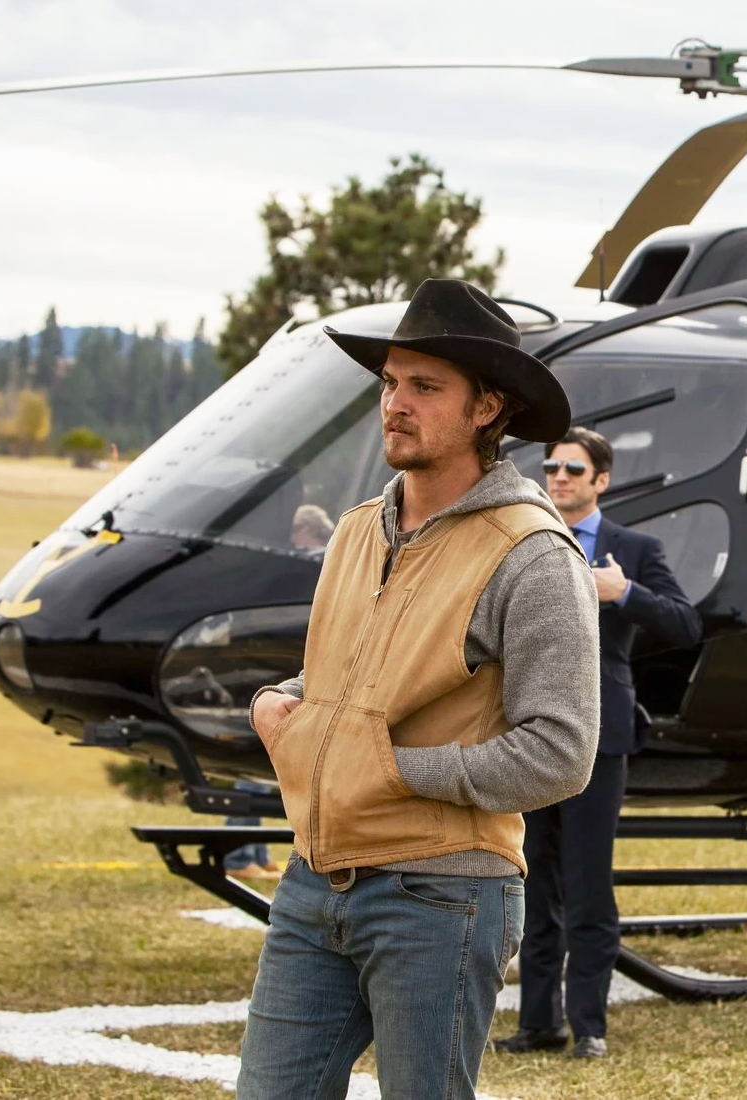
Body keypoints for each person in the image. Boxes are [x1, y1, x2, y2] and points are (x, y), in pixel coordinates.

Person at [236, 278, 601, 1100]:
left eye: (425, 387)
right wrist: (280, 704)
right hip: (314, 877)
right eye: (390, 383)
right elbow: (348, 674)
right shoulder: (359, 530)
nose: (395, 404)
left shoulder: (534, 553)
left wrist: (395, 770)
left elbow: (562, 752)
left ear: (487, 409)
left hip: (443, 893)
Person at [495, 426, 702, 1060]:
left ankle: (589, 1027)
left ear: (601, 481)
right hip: (528, 730)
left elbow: (687, 623)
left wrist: (626, 593)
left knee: (587, 886)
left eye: (573, 470)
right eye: (552, 466)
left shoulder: (633, 549)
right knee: (532, 884)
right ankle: (538, 1023)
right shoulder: (525, 540)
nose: (558, 477)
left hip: (601, 733)